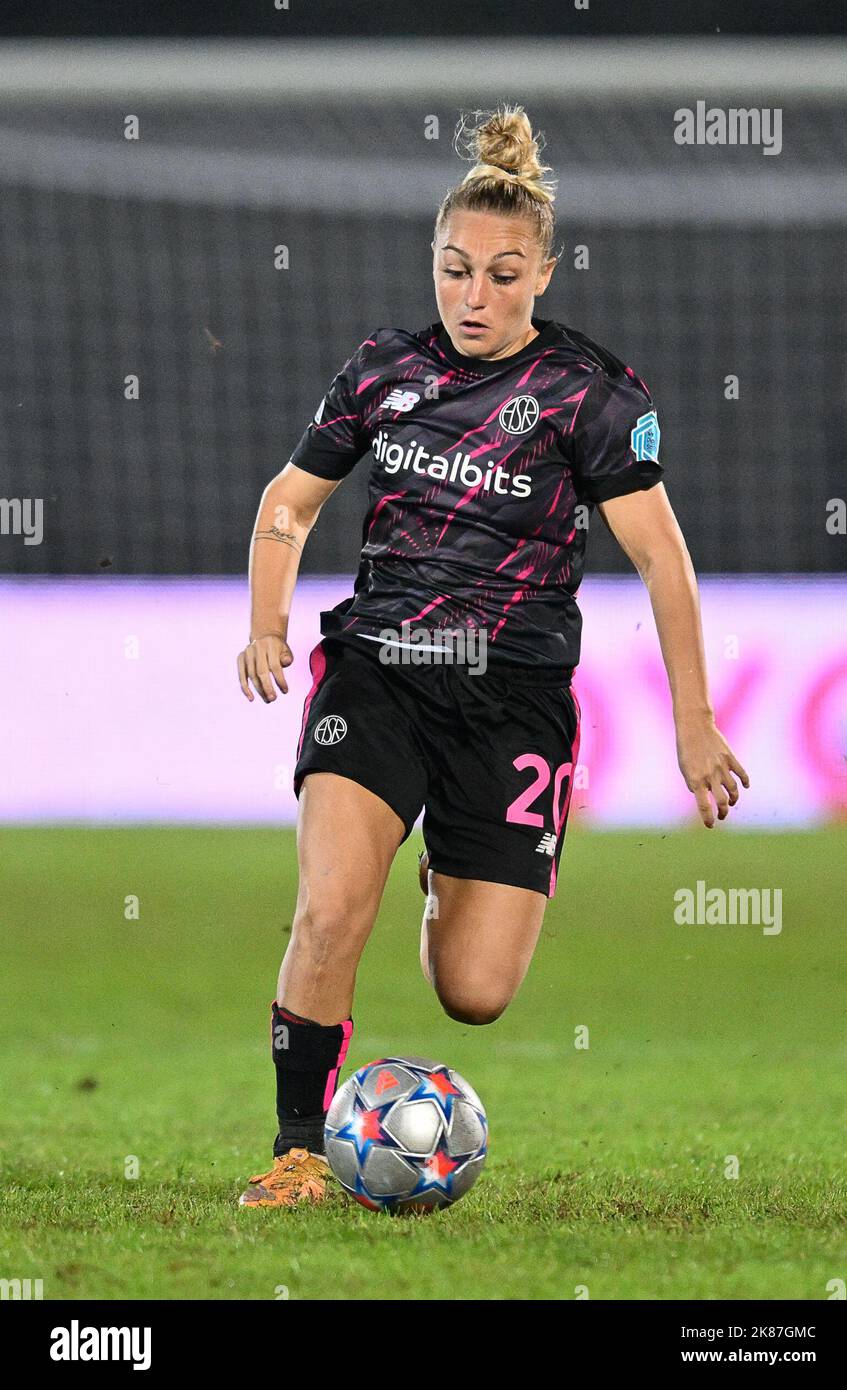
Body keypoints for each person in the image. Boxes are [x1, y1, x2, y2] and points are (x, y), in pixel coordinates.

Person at [235, 105, 749, 1208]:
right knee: (329, 909)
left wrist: (692, 721)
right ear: (433, 263)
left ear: (544, 274)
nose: (472, 297)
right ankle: (295, 1152)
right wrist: (268, 619)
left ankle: (446, 864)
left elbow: (663, 563)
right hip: (376, 673)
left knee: (473, 990)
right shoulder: (381, 370)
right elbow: (288, 503)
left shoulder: (591, 395)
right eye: (454, 269)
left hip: (512, 701)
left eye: (501, 275)